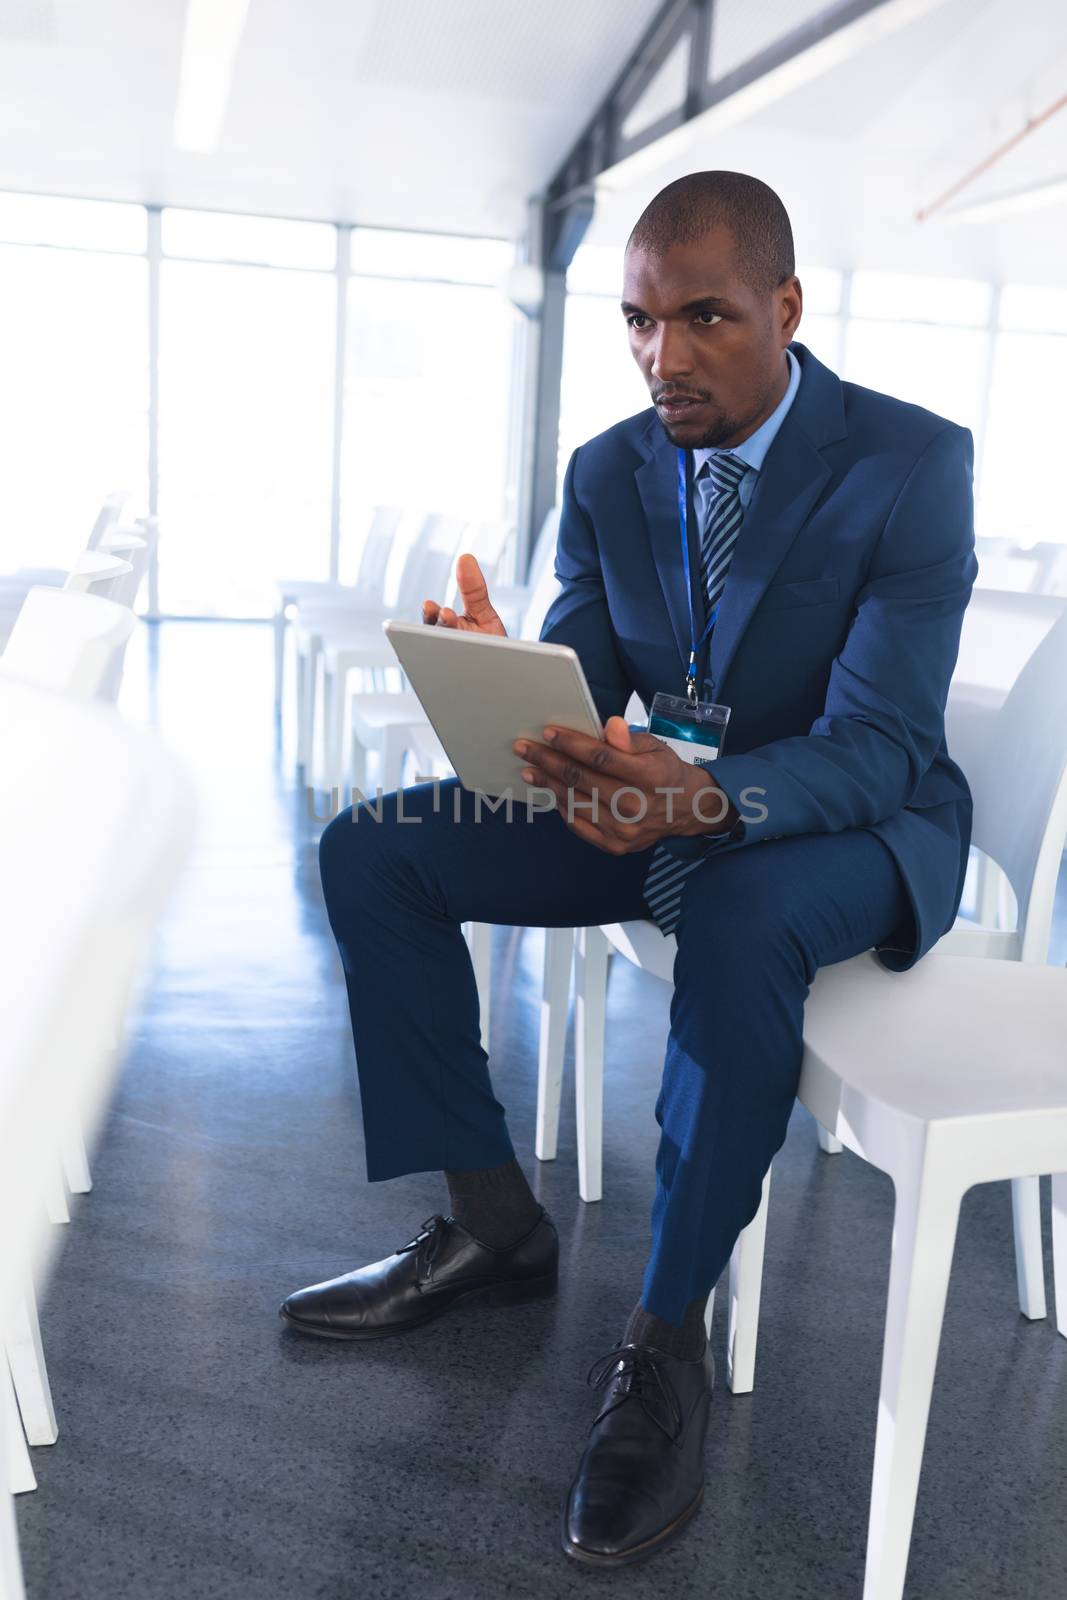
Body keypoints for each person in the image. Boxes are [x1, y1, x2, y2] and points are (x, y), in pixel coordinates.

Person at [280, 170, 977, 1568]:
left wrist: (710, 797)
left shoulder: (910, 462)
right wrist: (506, 674)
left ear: (784, 305)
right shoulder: (607, 470)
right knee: (374, 850)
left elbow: (885, 740)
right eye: (639, 323)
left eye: (704, 317)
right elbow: (590, 670)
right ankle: (492, 1225)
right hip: (645, 796)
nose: (666, 357)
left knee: (735, 911)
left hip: (841, 821)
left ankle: (663, 1336)